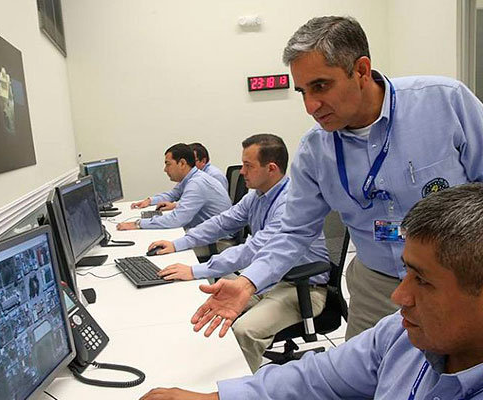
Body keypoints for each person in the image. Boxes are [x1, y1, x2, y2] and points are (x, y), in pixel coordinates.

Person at [189, 15, 483, 342]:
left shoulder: (444, 103)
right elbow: (294, 232)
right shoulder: (315, 151)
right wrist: (248, 282)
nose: (310, 106)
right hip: (377, 287)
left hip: (460, 284)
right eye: (302, 91)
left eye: (320, 86)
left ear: (361, 70)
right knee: (369, 370)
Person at [140, 183, 483, 400]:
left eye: (423, 281)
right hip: (274, 281)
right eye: (407, 272)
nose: (398, 297)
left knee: (244, 329)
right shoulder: (399, 335)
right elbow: (316, 377)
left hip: (303, 285)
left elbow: (262, 244)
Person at [149, 134, 329, 372]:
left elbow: (253, 250)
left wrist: (195, 270)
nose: (242, 171)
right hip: (265, 280)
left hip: (301, 288)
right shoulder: (257, 195)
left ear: (271, 168)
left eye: (248, 165)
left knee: (244, 330)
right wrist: (178, 243)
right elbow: (223, 222)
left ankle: (237, 387)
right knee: (201, 308)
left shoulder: (289, 204)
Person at [119, 143, 231, 231]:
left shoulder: (197, 183)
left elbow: (177, 219)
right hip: (208, 231)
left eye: (168, 164)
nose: (165, 169)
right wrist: (149, 201)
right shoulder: (193, 177)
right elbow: (173, 194)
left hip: (217, 240)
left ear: (182, 163)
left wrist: (138, 223)